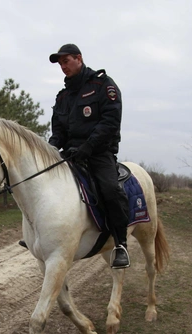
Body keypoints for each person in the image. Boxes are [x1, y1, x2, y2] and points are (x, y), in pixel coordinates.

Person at [48, 43, 131, 269]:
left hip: (99, 152)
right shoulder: (63, 97)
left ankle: (120, 243)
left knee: (110, 190)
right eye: (60, 63)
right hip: (71, 154)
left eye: (66, 61)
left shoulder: (103, 85)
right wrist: (50, 150)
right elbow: (58, 131)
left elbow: (110, 122)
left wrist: (87, 147)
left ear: (79, 59)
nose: (63, 66)